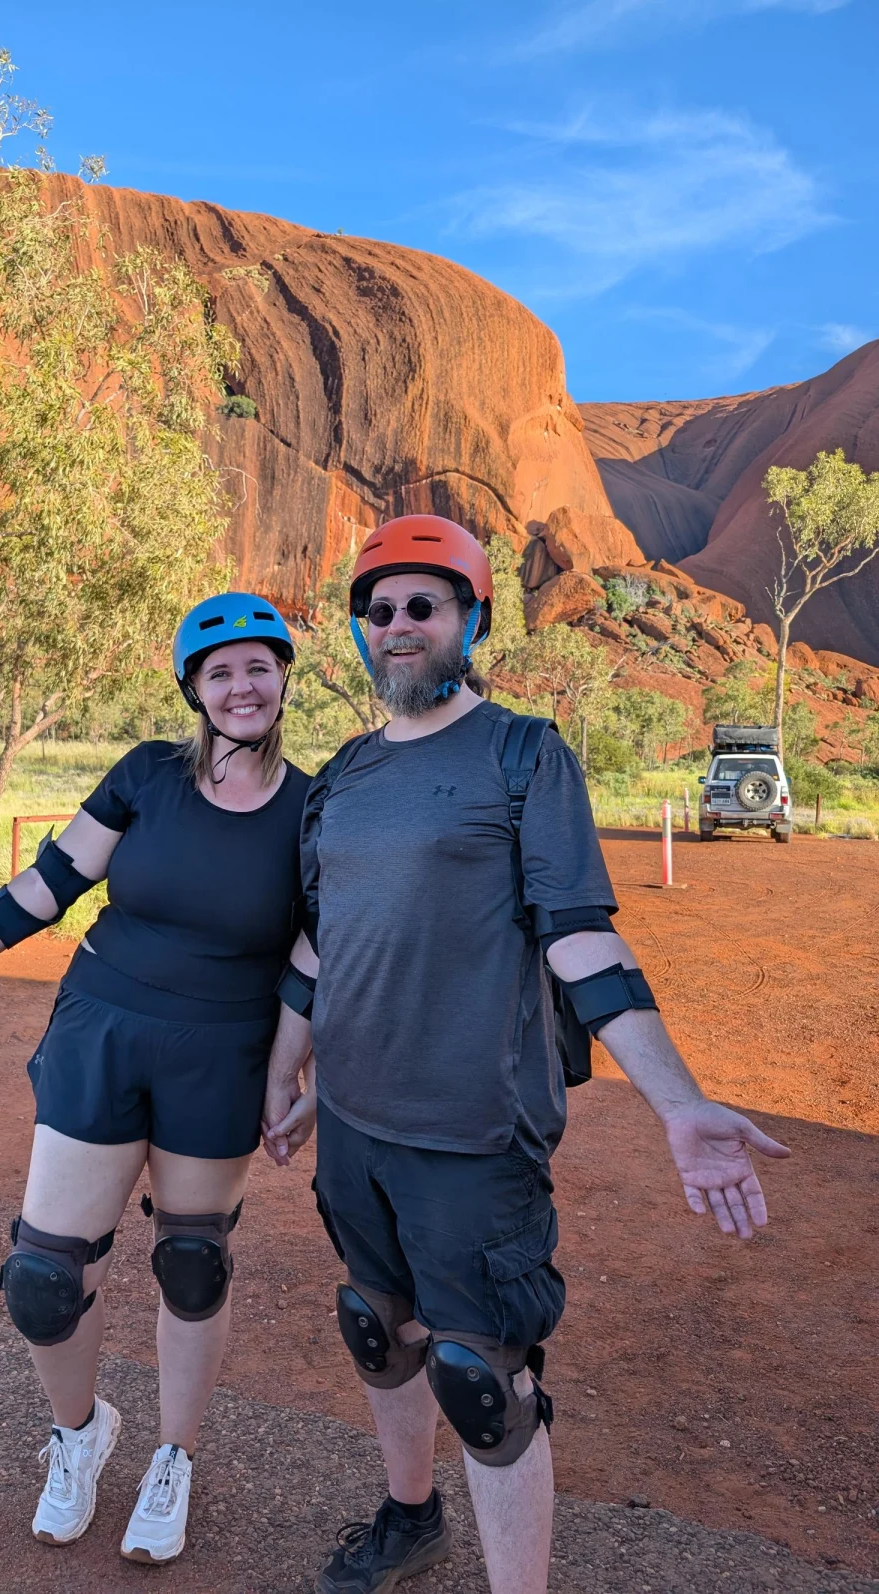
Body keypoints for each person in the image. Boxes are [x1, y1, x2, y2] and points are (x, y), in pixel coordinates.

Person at [260, 515, 791, 1594]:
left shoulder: (522, 754)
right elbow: (325, 936)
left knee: (480, 1378)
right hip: (355, 1123)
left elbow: (581, 932)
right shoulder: (345, 774)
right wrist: (289, 1067)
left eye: (424, 604)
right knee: (378, 1324)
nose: (398, 624)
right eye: (379, 609)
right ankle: (412, 1518)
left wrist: (677, 1101)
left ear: (470, 619)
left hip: (473, 1128)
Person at [0, 594, 311, 1566]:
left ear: (283, 676)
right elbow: (51, 881)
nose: (242, 685)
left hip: (222, 1050)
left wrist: (291, 1070)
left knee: (194, 1263)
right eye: (220, 670)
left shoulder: (311, 809)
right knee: (44, 1276)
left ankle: (174, 1457)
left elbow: (317, 956)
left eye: (258, 666)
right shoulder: (147, 775)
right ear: (194, 687)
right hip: (102, 1028)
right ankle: (80, 1431)